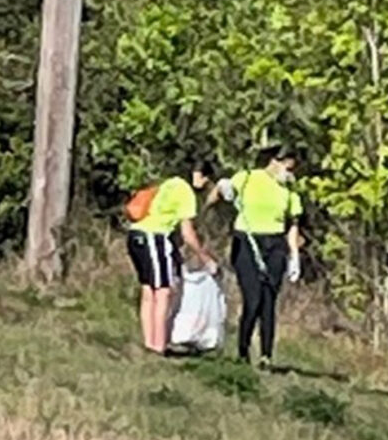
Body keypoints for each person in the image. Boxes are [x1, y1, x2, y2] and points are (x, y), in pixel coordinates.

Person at [208, 144, 303, 368]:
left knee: (269, 301)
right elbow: (215, 197)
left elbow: (293, 225)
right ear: (275, 162)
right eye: (287, 168)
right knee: (253, 299)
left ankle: (266, 356)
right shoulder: (248, 178)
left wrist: (294, 255)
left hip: (275, 244)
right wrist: (223, 188)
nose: (290, 174)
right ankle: (243, 350)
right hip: (248, 241)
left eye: (293, 170)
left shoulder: (289, 191)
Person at [127, 159, 218, 355]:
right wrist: (204, 257)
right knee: (163, 292)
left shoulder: (170, 183)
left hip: (136, 235)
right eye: (205, 179)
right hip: (155, 236)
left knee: (148, 290)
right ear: (199, 176)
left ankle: (149, 342)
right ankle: (158, 345)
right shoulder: (186, 193)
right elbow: (188, 233)